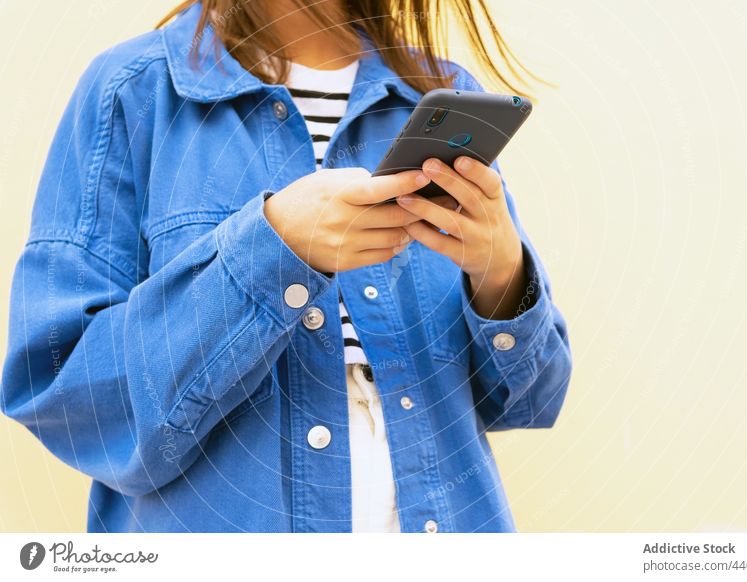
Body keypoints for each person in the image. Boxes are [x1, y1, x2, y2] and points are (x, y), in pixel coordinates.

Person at [0, 0, 572, 532]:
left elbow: (532, 400)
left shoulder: (441, 95)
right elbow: (65, 398)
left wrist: (501, 274)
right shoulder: (134, 91)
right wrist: (275, 251)